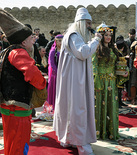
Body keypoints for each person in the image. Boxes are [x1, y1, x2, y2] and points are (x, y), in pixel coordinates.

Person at [0, 8, 47, 155]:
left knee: (11, 143)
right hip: (17, 109)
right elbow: (33, 76)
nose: (33, 40)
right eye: (31, 38)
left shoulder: (7, 51)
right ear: (23, 41)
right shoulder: (19, 52)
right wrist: (42, 82)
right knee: (19, 144)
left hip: (9, 107)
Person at [53, 7, 102, 155]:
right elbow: (84, 52)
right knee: (78, 109)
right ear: (81, 22)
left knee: (73, 109)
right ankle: (81, 144)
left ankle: (69, 139)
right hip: (74, 81)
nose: (90, 27)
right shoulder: (74, 36)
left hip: (74, 79)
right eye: (88, 23)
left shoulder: (75, 36)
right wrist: (96, 40)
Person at [93, 25, 128, 140]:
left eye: (110, 35)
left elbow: (119, 63)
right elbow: (94, 66)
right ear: (101, 36)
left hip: (111, 82)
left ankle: (110, 131)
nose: (108, 37)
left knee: (111, 106)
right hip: (101, 81)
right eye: (106, 35)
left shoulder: (114, 49)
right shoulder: (97, 48)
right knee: (99, 106)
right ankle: (99, 131)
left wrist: (124, 72)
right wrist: (96, 82)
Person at [47, 34, 63, 110]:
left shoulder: (65, 51)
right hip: (55, 74)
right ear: (56, 41)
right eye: (59, 41)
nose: (61, 42)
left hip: (63, 74)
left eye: (62, 41)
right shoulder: (53, 51)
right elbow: (52, 64)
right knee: (55, 91)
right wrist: (58, 72)